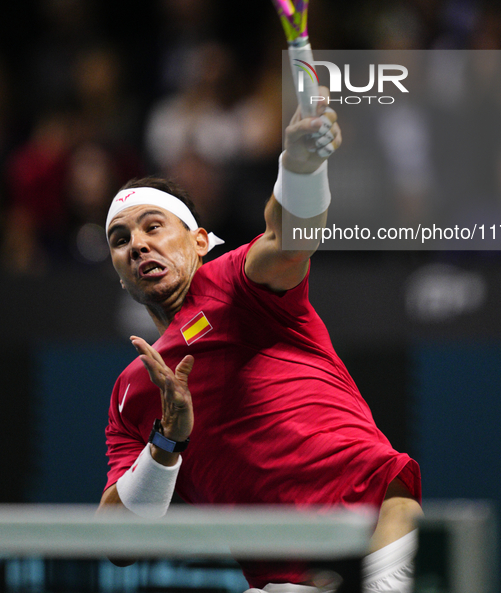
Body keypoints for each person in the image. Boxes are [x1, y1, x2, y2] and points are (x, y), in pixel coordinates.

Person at [98, 95, 422, 593]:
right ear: (119, 274)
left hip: (377, 529)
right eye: (120, 240)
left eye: (153, 226)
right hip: (287, 585)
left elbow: (291, 236)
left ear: (201, 242)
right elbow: (115, 546)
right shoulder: (134, 393)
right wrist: (166, 443)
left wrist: (298, 166)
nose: (137, 244)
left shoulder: (235, 282)